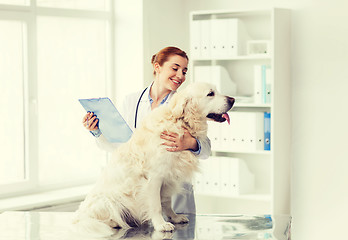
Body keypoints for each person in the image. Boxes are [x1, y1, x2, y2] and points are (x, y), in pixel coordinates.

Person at [82, 46, 211, 214]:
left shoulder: (187, 103)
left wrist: (190, 143)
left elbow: (206, 149)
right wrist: (97, 132)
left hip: (175, 194)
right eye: (175, 68)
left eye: (185, 71)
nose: (180, 76)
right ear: (157, 67)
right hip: (140, 193)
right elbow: (121, 148)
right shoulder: (132, 101)